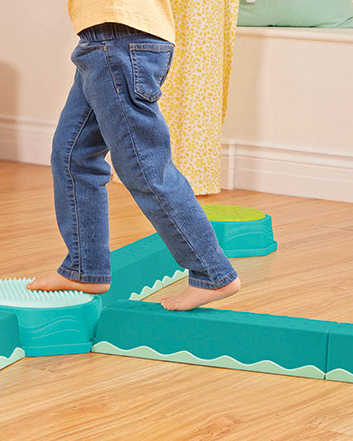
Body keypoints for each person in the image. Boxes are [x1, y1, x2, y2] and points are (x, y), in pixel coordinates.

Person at [28, 0, 240, 311]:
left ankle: (213, 273)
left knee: (145, 168)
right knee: (73, 156)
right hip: (103, 42)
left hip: (118, 41)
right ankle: (85, 269)